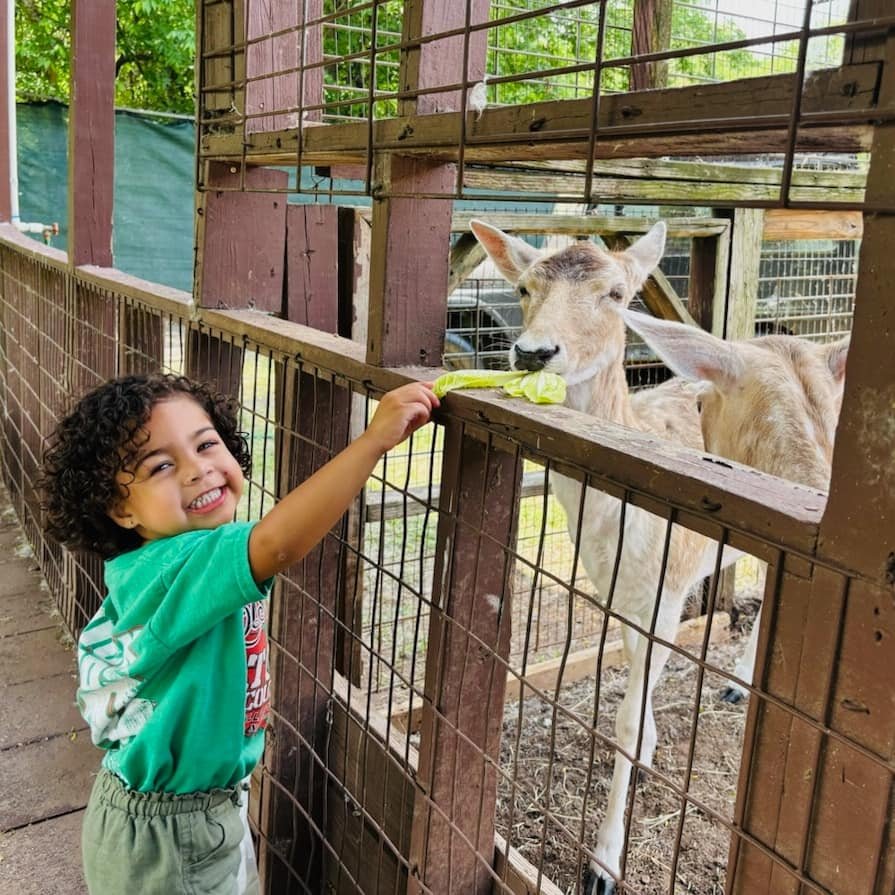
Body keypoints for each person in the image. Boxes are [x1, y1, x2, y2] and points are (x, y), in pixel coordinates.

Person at [40, 372, 439, 895]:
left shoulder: (165, 559)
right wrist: (373, 441)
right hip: (173, 834)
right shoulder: (178, 564)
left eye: (207, 444)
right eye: (161, 466)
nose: (198, 470)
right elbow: (276, 544)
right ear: (121, 510)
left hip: (192, 810)